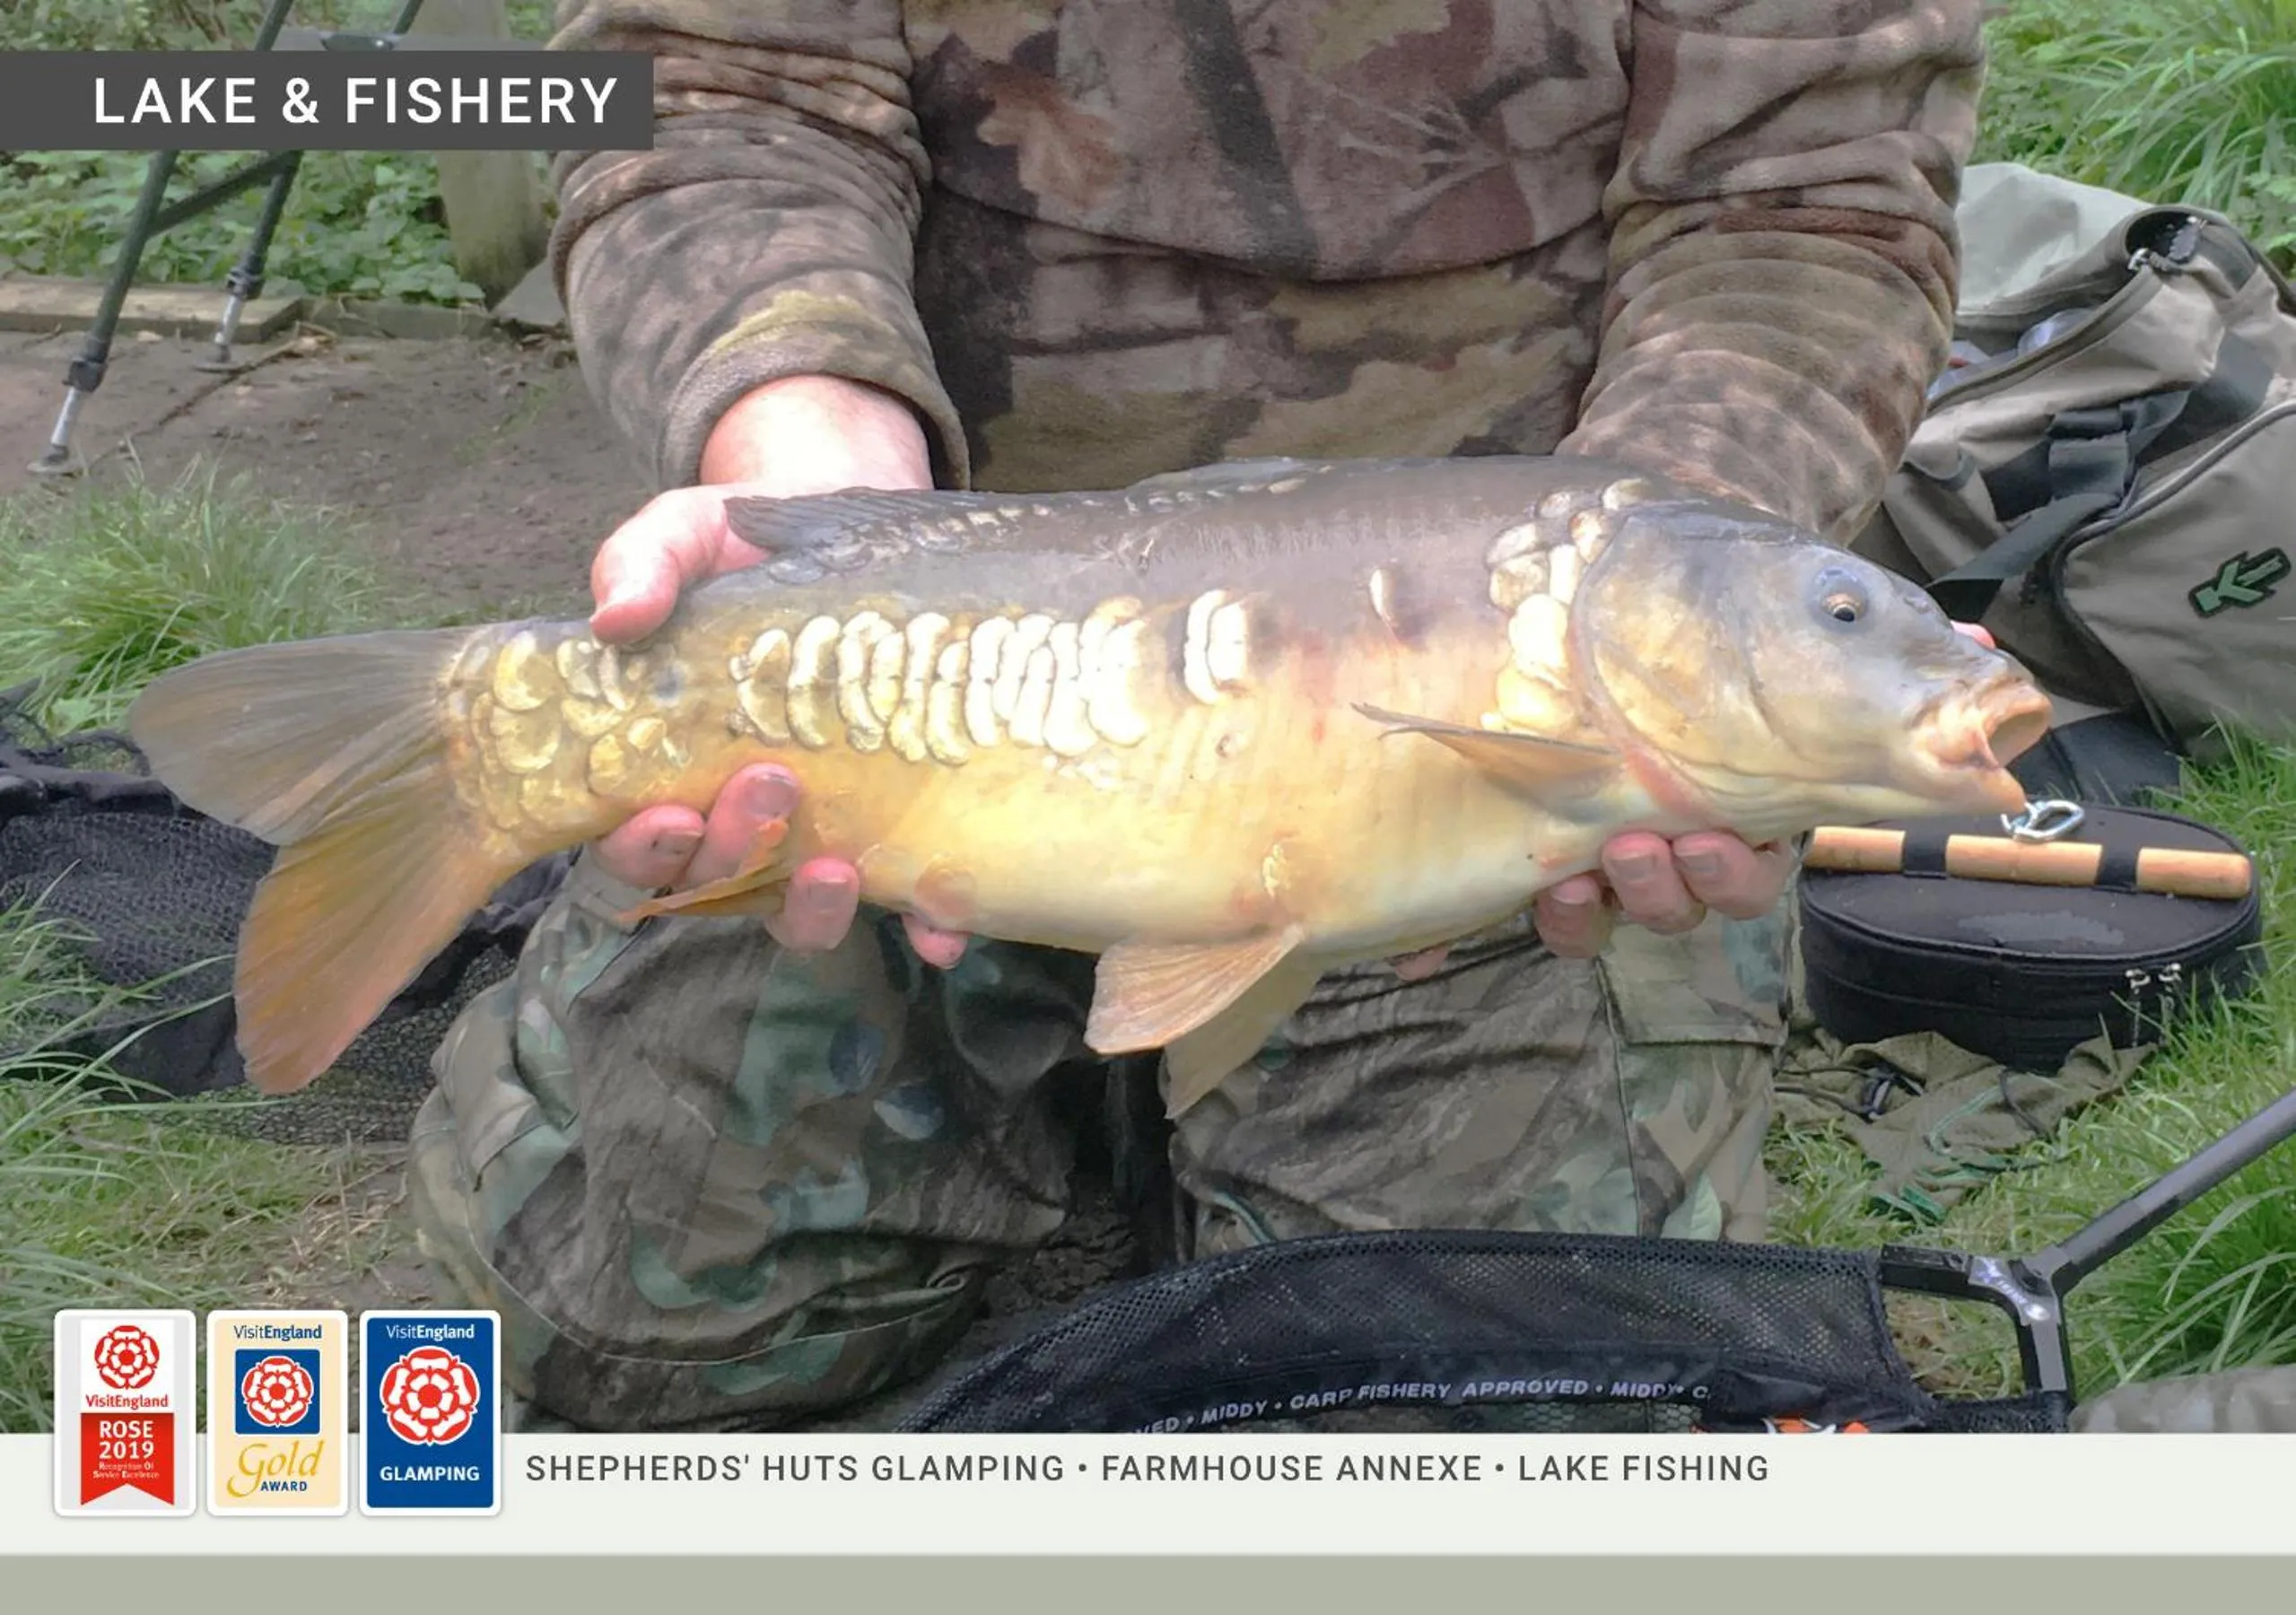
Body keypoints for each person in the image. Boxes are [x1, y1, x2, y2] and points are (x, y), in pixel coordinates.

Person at [406, 0, 1992, 1430]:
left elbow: (1801, 211)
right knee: (622, 1341)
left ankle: (1176, 1089)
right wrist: (809, 460)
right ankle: (1095, 1094)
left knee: (1474, 1424)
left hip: (1489, 663)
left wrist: (1659, 587)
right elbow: (718, 84)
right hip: (941, 637)